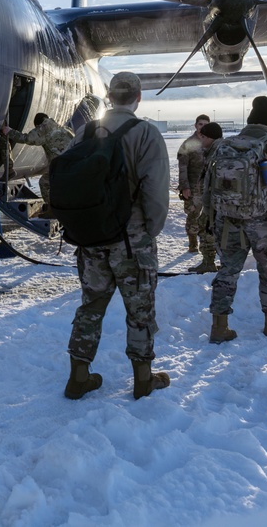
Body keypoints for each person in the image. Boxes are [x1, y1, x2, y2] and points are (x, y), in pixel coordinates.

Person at [64, 71, 171, 401]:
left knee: (91, 306)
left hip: (91, 238)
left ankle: (78, 377)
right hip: (131, 240)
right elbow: (155, 191)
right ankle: (143, 378)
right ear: (138, 97)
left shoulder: (84, 132)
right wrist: (150, 230)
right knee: (140, 309)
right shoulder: (146, 133)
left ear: (109, 97)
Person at [202, 96, 267, 343]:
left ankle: (219, 326)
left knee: (227, 270)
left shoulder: (224, 145)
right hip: (264, 222)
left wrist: (209, 215)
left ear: (249, 120)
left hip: (228, 220)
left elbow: (208, 184)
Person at [1, 112, 74, 213]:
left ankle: (51, 211)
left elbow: (27, 138)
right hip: (74, 164)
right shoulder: (63, 128)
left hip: (61, 166)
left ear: (38, 124)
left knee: (44, 183)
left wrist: (9, 131)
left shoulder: (44, 128)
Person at [187, 121, 223, 274]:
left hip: (216, 202)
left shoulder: (217, 153)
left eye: (203, 137)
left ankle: (209, 263)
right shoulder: (222, 149)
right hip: (224, 202)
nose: (201, 140)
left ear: (210, 137)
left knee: (205, 226)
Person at [177, 114, 210, 253]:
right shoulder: (189, 144)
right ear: (196, 125)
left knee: (209, 215)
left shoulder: (212, 142)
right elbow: (182, 167)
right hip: (193, 185)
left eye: (206, 125)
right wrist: (184, 187)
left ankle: (207, 244)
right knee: (193, 214)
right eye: (200, 124)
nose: (202, 127)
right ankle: (193, 243)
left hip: (209, 185)